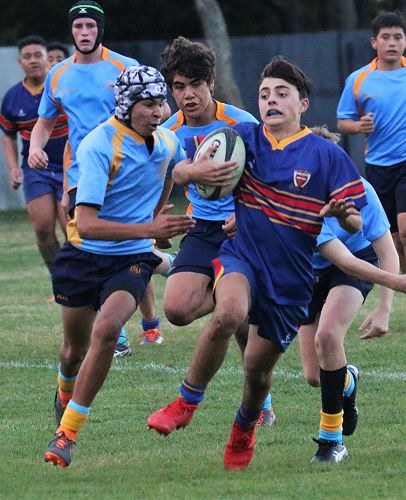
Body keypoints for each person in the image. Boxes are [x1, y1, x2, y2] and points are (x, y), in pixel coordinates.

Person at [147, 56, 368, 471]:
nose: (271, 100)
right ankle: (185, 403)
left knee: (256, 371)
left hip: (291, 280)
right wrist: (193, 172)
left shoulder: (326, 154)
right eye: (265, 94)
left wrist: (343, 214)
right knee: (228, 312)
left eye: (281, 93)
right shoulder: (243, 138)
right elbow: (180, 171)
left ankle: (245, 425)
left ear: (302, 104)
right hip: (242, 256)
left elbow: (355, 220)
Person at [43, 65, 203, 468]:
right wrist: (151, 227)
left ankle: (67, 433)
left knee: (108, 329)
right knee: (73, 351)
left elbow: (170, 172)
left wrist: (155, 215)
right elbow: (87, 224)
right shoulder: (99, 145)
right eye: (148, 104)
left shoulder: (166, 141)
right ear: (127, 106)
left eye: (160, 102)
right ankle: (64, 390)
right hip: (83, 256)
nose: (158, 111)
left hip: (131, 258)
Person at [28, 1, 168, 357]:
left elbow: (160, 109)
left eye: (90, 26)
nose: (84, 32)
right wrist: (35, 147)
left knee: (128, 246)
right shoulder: (58, 74)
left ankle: (161, 291)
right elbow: (44, 122)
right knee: (90, 245)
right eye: (78, 27)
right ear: (71, 32)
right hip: (82, 175)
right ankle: (117, 331)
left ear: (100, 30)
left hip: (126, 171)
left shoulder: (125, 67)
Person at [160, 36, 274, 424]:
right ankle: (233, 294)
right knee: (177, 310)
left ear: (211, 83)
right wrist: (158, 218)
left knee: (234, 314)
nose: (188, 95)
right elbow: (166, 175)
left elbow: (270, 178)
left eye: (195, 84)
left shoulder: (242, 124)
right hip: (202, 227)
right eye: (179, 87)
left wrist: (248, 215)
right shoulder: (170, 131)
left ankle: (261, 403)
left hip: (245, 229)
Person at [297, 126, 399, 462]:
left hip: (355, 263)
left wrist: (385, 307)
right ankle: (348, 381)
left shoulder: (361, 191)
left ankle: (332, 441)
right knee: (315, 376)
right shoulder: (299, 198)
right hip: (311, 272)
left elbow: (386, 252)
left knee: (328, 336)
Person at [337, 11, 406, 273]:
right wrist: (359, 126)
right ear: (374, 42)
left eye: (398, 37)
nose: (392, 43)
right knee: (394, 237)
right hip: (378, 166)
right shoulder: (358, 79)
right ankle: (401, 282)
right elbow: (343, 122)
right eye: (386, 37)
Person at [0, 35, 67, 279]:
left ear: (47, 58)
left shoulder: (63, 87)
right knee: (42, 229)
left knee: (72, 229)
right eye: (27, 57)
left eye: (38, 55)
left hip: (69, 166)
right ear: (20, 62)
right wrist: (13, 168)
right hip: (36, 170)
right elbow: (8, 135)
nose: (33, 60)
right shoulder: (12, 97)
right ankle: (60, 281)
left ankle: (82, 279)